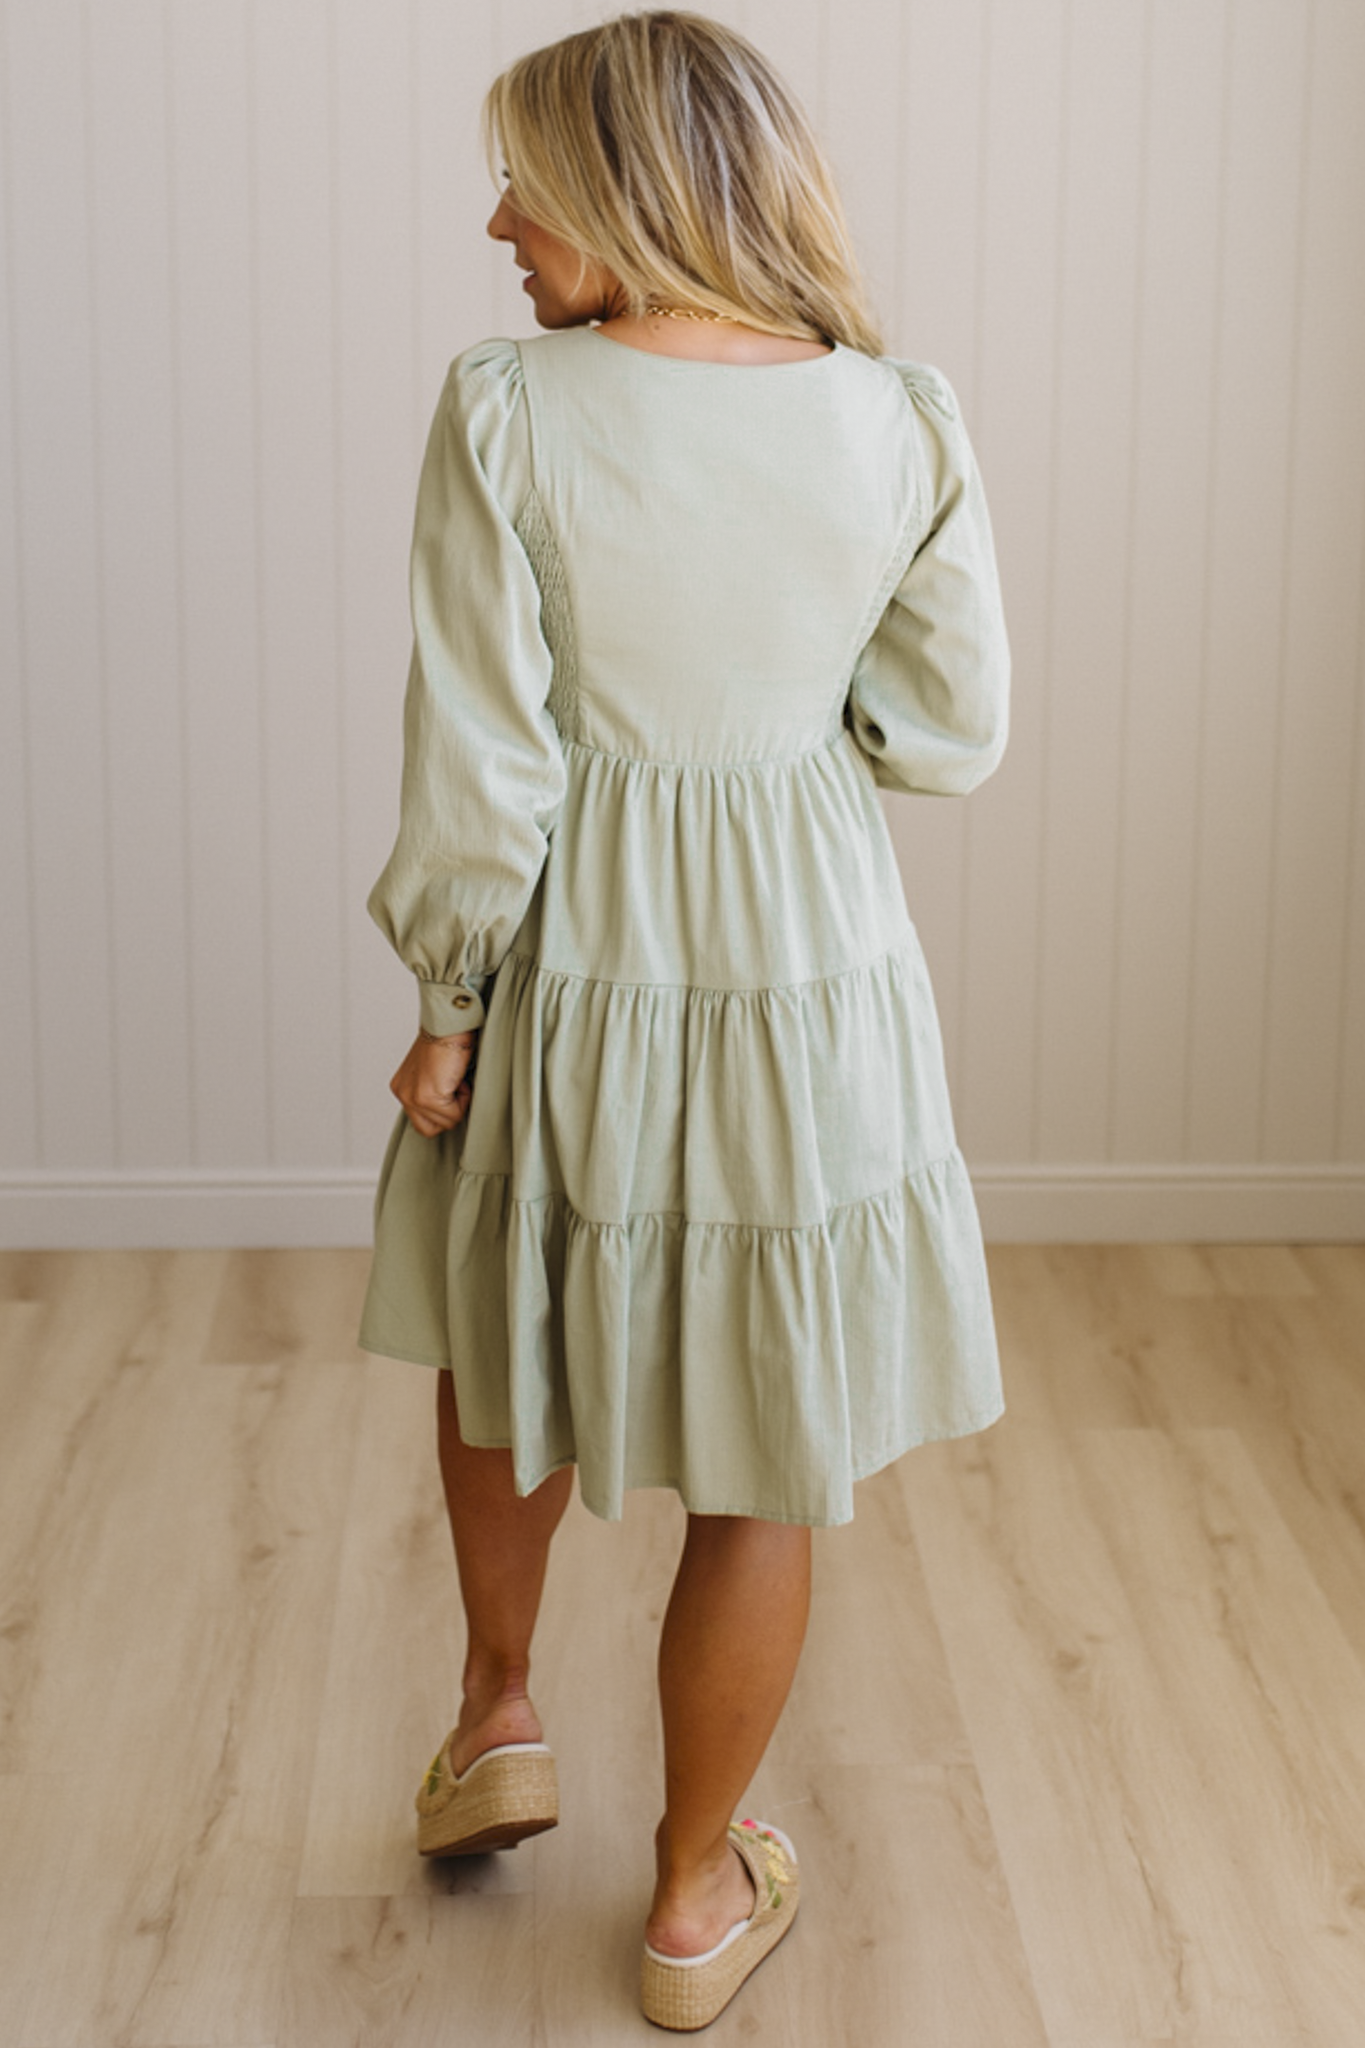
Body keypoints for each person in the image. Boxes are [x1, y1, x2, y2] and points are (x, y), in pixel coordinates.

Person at [358, 9, 1009, 2029]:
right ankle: (691, 1896)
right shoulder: (898, 416)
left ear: (632, 188)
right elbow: (946, 732)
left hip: (575, 954)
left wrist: (448, 1005)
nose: (496, 221)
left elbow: (485, 761)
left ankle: (497, 1714)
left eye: (524, 183)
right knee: (770, 1447)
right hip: (808, 972)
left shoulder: (508, 409)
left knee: (502, 1319)